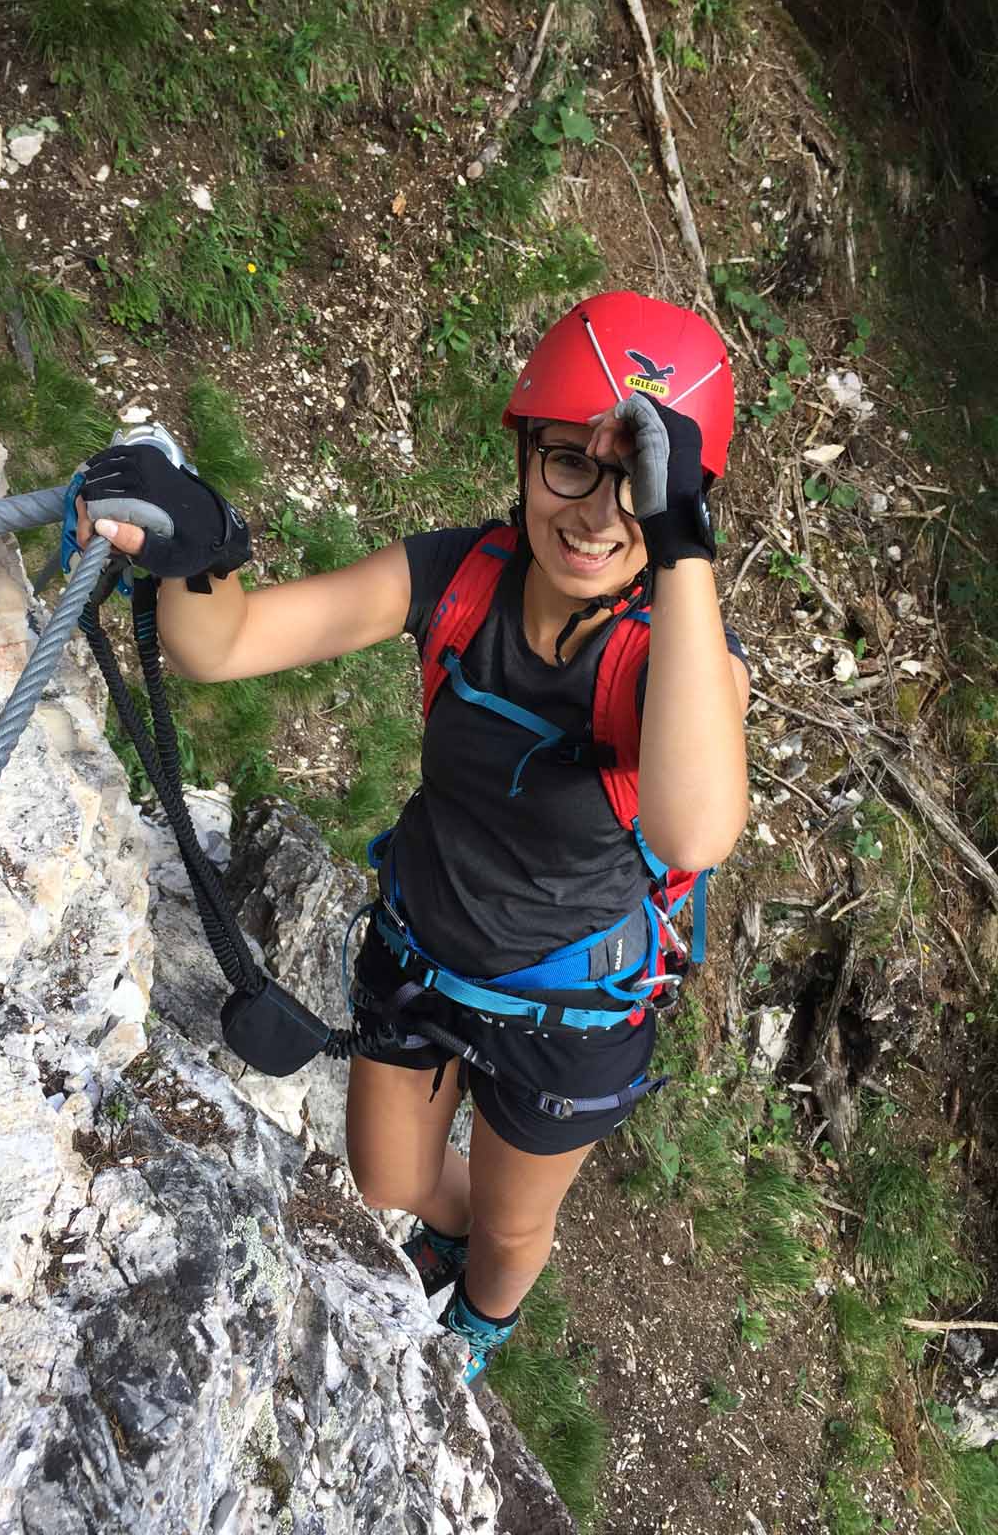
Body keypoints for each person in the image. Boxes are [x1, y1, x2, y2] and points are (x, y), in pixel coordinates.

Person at [73, 291, 750, 1386]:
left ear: (684, 506)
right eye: (568, 464)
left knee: (514, 1229)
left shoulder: (678, 661)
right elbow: (224, 643)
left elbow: (696, 824)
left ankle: (484, 1315)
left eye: (639, 484)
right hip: (423, 954)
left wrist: (681, 553)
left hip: (570, 1011)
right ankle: (456, 1239)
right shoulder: (461, 577)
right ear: (525, 455)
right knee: (389, 1183)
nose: (596, 514)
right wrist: (197, 544)